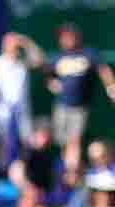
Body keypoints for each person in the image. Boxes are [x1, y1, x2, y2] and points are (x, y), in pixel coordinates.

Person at [46, 22, 115, 172]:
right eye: (63, 36)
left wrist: (111, 88)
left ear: (77, 36)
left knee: (74, 141)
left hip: (80, 107)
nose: (66, 39)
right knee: (63, 142)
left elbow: (104, 70)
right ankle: (68, 172)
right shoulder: (57, 57)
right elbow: (48, 75)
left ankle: (72, 172)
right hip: (61, 106)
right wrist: (52, 83)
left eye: (69, 36)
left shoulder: (88, 53)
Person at [0, 31, 44, 164]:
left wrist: (26, 42)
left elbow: (39, 60)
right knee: (3, 144)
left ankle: (23, 173)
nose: (14, 47)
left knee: (26, 144)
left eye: (16, 44)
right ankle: (3, 174)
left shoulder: (23, 62)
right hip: (4, 113)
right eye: (11, 44)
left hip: (23, 113)